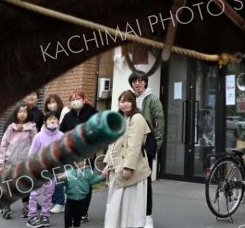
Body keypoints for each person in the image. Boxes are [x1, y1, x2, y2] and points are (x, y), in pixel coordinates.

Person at [103, 90, 151, 228]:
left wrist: (128, 167)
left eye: (128, 101)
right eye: (122, 101)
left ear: (134, 102)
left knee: (129, 205)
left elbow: (134, 145)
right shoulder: (122, 119)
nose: (124, 104)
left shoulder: (137, 118)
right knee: (117, 204)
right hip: (117, 167)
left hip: (130, 169)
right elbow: (114, 144)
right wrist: (108, 164)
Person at [128, 72, 165, 228]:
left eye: (140, 81)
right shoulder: (130, 99)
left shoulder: (153, 100)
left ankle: (148, 216)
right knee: (131, 181)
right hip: (131, 147)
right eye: (134, 81)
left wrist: (154, 147)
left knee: (145, 181)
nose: (137, 84)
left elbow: (160, 124)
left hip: (146, 146)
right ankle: (133, 215)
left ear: (145, 83)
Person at [59, 90, 98, 221]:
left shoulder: (91, 112)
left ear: (83, 99)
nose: (75, 101)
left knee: (85, 181)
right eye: (72, 99)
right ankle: (72, 208)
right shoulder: (68, 115)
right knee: (71, 180)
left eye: (77, 98)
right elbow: (61, 132)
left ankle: (83, 212)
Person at [0, 104, 37, 219]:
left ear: (28, 113)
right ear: (16, 114)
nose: (22, 113)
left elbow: (35, 145)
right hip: (10, 162)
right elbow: (3, 145)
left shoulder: (32, 127)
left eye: (24, 111)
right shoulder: (11, 128)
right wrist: (2, 163)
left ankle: (26, 206)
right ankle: (5, 206)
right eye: (19, 111)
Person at [27, 112, 64, 228]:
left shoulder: (61, 135)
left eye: (55, 119)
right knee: (34, 193)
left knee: (49, 194)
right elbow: (32, 153)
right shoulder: (39, 136)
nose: (53, 121)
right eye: (50, 119)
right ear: (44, 122)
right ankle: (32, 217)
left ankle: (45, 215)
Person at [44, 94, 69, 214]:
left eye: (53, 102)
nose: (51, 105)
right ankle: (54, 201)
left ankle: (60, 202)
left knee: (58, 177)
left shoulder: (64, 112)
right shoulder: (47, 116)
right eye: (49, 102)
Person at [58, 159, 103, 227]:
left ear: (85, 161)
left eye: (80, 160)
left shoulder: (88, 171)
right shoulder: (69, 170)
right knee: (67, 216)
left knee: (77, 218)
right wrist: (61, 178)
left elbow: (93, 179)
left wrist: (102, 176)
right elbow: (62, 182)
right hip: (70, 199)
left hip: (82, 200)